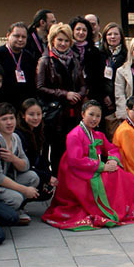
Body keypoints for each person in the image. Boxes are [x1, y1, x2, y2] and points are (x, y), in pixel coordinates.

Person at [42, 101, 134, 229]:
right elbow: (75, 160)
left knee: (122, 175)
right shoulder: (74, 135)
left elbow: (112, 148)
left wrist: (113, 160)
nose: (94, 119)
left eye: (98, 116)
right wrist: (102, 167)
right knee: (111, 179)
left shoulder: (97, 135)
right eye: (91, 114)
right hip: (76, 175)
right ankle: (108, 209)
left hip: (91, 170)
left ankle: (117, 208)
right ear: (82, 114)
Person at [37, 22, 87, 171]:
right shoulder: (45, 61)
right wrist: (65, 94)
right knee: (56, 152)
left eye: (66, 40)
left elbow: (83, 84)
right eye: (60, 40)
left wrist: (79, 94)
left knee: (72, 151)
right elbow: (40, 87)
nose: (63, 43)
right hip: (54, 114)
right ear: (52, 40)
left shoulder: (74, 59)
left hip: (73, 113)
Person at [0, 103, 41, 223]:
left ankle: (17, 208)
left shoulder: (15, 137)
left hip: (11, 178)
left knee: (33, 177)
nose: (9, 122)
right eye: (4, 119)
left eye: (11, 118)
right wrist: (25, 190)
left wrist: (13, 159)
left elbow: (26, 165)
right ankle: (2, 211)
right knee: (16, 198)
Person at [0, 22, 38, 108]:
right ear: (8, 36)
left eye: (23, 37)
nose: (20, 39)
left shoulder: (29, 57)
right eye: (16, 36)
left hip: (24, 106)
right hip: (1, 105)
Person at [15, 99, 56, 201]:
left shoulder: (38, 131)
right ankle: (19, 206)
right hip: (18, 173)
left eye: (39, 114)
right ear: (23, 115)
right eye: (31, 114)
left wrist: (49, 176)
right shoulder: (18, 134)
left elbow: (41, 159)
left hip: (31, 169)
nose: (36, 118)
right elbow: (26, 164)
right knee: (35, 178)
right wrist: (46, 177)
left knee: (46, 192)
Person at [70, 16, 106, 104]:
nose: (81, 32)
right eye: (78, 29)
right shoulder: (67, 50)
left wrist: (89, 95)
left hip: (90, 95)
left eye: (84, 30)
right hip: (70, 94)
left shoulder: (95, 51)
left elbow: (99, 78)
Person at [101, 22, 127, 117]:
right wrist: (105, 96)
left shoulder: (126, 55)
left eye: (116, 34)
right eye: (109, 34)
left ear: (121, 36)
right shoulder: (100, 54)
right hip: (103, 99)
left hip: (122, 98)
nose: (113, 37)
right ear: (105, 37)